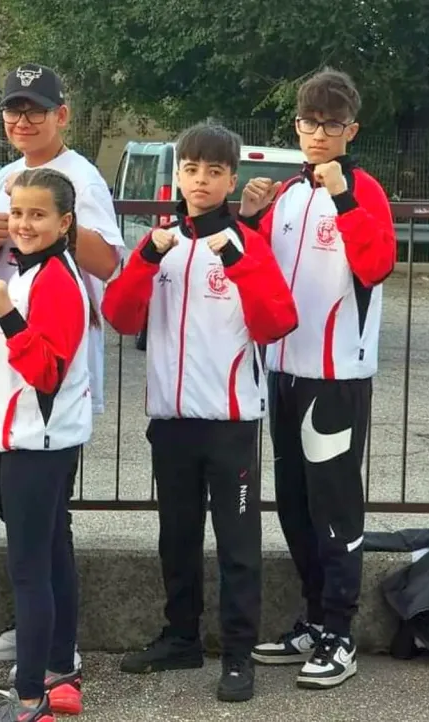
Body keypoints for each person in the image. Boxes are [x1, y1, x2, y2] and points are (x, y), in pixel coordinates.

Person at [104, 123, 298, 703]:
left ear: (231, 179)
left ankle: (238, 654)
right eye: (192, 170)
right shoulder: (161, 244)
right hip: (171, 419)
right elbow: (120, 317)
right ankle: (180, 637)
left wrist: (237, 262)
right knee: (177, 537)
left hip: (230, 420)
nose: (202, 181)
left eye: (214, 171)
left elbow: (276, 322)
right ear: (178, 176)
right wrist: (145, 258)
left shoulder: (246, 243)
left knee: (237, 545)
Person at [0, 62, 122, 690]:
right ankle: (42, 634)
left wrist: (52, 223)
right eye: (13, 108)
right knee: (25, 523)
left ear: (62, 115)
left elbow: (108, 262)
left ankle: (52, 650)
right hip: (6, 374)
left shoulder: (80, 178)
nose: (23, 119)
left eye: (35, 108)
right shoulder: (1, 178)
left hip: (48, 380)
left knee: (44, 532)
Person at [239, 68, 396, 689]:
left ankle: (340, 631)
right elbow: (258, 272)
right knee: (296, 505)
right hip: (283, 371)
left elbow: (377, 265)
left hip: (336, 377)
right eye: (310, 122)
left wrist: (345, 199)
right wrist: (250, 217)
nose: (319, 133)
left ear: (351, 130)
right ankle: (312, 619)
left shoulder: (365, 191)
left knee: (334, 507)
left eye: (332, 124)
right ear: (297, 126)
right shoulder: (287, 193)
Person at [0, 168, 92, 722]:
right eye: (17, 212)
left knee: (29, 568)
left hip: (36, 444)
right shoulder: (30, 271)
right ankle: (60, 672)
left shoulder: (57, 279)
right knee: (52, 553)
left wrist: (4, 313)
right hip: (25, 437)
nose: (23, 223)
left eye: (38, 214)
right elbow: (10, 353)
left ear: (64, 223)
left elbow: (46, 371)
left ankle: (29, 698)